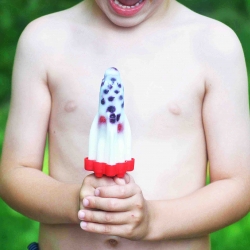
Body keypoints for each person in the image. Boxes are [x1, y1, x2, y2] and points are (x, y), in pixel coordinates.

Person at [0, 0, 250, 249]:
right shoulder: (45, 40)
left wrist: (154, 220)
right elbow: (14, 174)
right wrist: (75, 202)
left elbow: (239, 186)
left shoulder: (214, 45)